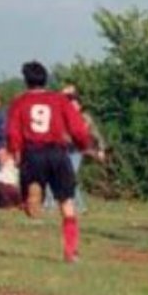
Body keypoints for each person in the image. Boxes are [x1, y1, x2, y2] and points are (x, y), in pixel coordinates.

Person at [7, 61, 91, 262]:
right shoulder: (59, 100)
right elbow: (77, 127)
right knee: (67, 202)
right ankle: (71, 251)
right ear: (46, 79)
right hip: (57, 152)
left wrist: (15, 152)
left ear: (26, 81)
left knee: (29, 201)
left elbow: (12, 131)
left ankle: (33, 193)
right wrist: (82, 144)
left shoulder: (19, 102)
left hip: (32, 152)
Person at [61, 85, 107, 214]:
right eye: (71, 104)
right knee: (62, 177)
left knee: (70, 177)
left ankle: (80, 206)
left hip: (76, 151)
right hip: (62, 149)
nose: (74, 106)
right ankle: (53, 204)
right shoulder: (63, 116)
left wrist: (101, 149)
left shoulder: (85, 118)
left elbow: (96, 134)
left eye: (76, 103)